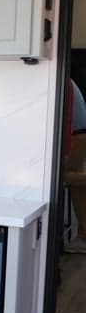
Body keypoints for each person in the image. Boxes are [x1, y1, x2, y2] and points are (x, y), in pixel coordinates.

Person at [64, 79, 86, 252]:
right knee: (78, 185)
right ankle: (83, 238)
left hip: (76, 136)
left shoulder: (58, 77)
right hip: (80, 135)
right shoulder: (68, 80)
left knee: (57, 177)